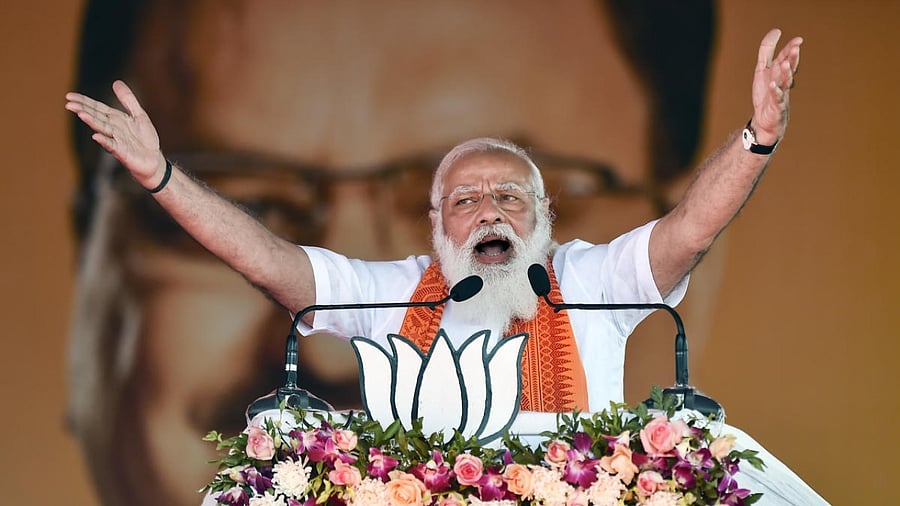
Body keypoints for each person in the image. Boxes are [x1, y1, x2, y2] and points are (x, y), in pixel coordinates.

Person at [66, 0, 801, 494]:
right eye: (465, 200)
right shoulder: (388, 293)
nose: (488, 215)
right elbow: (267, 260)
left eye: (509, 198)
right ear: (435, 223)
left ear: (544, 215)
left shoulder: (589, 281)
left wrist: (756, 139)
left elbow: (690, 228)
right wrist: (163, 178)